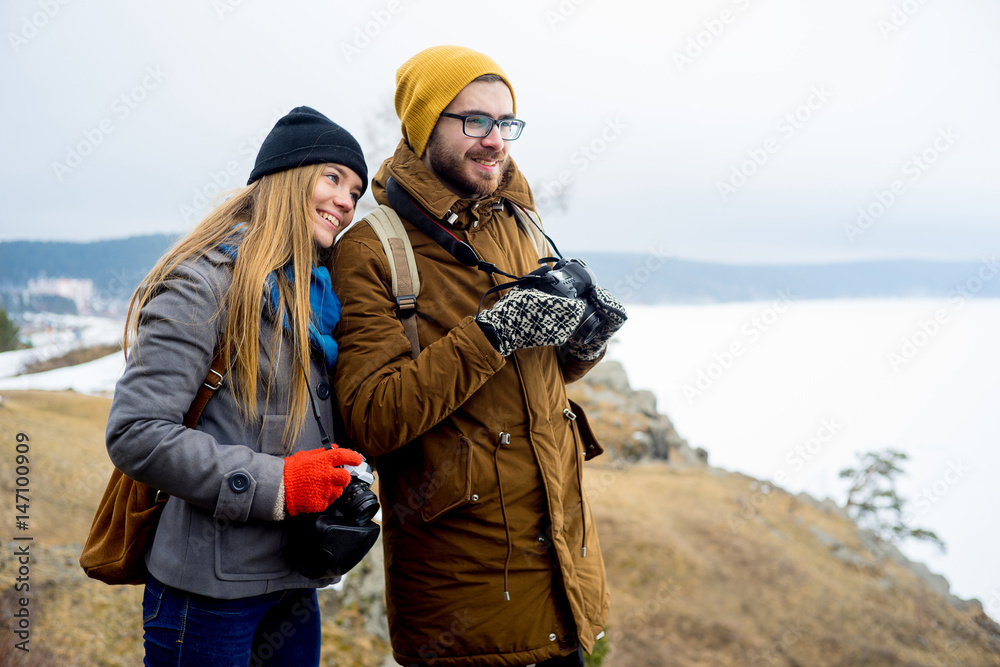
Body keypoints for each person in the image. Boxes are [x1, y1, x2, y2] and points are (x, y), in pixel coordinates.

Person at [330, 46, 627, 666]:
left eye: (506, 123)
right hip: (464, 614)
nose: (496, 141)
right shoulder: (372, 247)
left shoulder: (521, 222)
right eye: (475, 121)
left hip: (565, 587)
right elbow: (370, 418)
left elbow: (540, 371)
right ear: (422, 126)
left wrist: (585, 341)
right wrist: (491, 333)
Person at [105, 106, 369, 666]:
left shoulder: (318, 295)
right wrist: (281, 484)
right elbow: (136, 434)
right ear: (286, 178)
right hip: (208, 595)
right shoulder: (202, 282)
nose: (347, 201)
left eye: (356, 190)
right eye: (333, 178)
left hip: (296, 584)